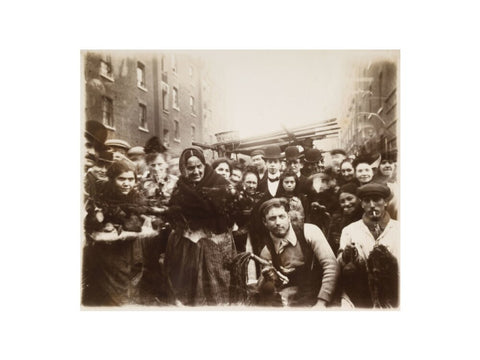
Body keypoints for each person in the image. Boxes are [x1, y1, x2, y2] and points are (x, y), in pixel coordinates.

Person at [82, 159, 161, 306]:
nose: (127, 184)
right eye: (121, 179)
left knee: (132, 284)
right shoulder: (101, 197)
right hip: (107, 253)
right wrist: (102, 222)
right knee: (112, 292)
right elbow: (91, 223)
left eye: (131, 179)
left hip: (132, 249)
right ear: (112, 179)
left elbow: (137, 221)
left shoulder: (136, 198)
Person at [164, 147, 236, 306]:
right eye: (190, 168)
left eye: (199, 166)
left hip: (214, 245)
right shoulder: (180, 187)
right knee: (188, 289)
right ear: (184, 169)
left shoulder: (219, 183)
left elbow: (228, 215)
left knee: (215, 287)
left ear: (204, 165)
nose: (196, 171)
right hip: (187, 247)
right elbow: (174, 212)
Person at [255, 198, 339, 307]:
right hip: (293, 299)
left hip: (322, 293)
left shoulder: (309, 232)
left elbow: (331, 266)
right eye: (272, 218)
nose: (278, 223)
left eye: (281, 216)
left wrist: (321, 302)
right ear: (265, 222)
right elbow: (270, 287)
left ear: (288, 217)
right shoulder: (267, 251)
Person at [337, 183, 399, 308]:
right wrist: (346, 256)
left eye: (376, 200)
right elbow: (339, 265)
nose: (372, 205)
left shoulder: (399, 228)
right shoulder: (350, 230)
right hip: (360, 294)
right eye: (367, 201)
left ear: (385, 202)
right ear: (362, 204)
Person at [326, 182, 363, 254]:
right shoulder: (336, 220)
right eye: (342, 201)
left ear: (359, 199)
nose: (346, 203)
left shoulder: (365, 218)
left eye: (350, 199)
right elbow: (331, 245)